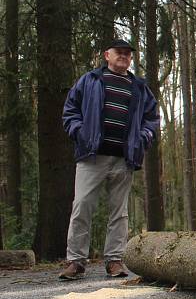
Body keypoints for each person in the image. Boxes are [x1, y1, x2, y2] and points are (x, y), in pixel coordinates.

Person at [59, 39, 160, 279]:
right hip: (91, 156)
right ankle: (76, 261)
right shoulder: (90, 80)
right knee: (82, 205)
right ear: (107, 55)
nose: (124, 56)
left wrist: (143, 137)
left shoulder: (139, 86)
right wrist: (80, 132)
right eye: (119, 52)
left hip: (123, 158)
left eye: (128, 53)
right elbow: (70, 110)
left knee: (120, 212)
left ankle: (114, 261)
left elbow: (152, 117)